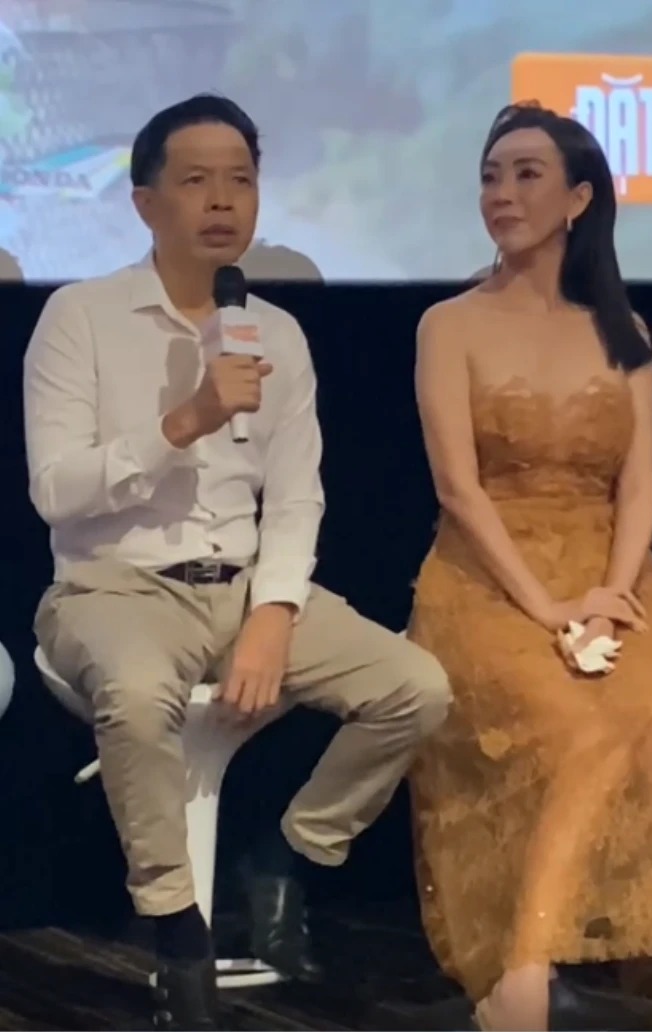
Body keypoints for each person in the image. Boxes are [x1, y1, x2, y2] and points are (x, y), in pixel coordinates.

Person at [23, 93, 451, 1031]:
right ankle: (176, 930)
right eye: (197, 181)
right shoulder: (79, 316)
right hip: (113, 587)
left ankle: (294, 851)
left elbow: (296, 498)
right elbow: (55, 491)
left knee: (416, 688)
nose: (223, 201)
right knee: (138, 698)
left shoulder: (277, 335)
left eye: (242, 181)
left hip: (247, 586)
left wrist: (273, 613)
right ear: (145, 203)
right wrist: (186, 420)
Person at [407, 102, 652, 1031]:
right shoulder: (448, 324)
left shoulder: (623, 329)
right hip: (490, 579)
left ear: (578, 199)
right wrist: (549, 610)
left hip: (612, 574)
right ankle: (524, 973)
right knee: (574, 729)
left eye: (526, 174)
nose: (502, 193)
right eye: (491, 175)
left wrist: (609, 596)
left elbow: (638, 486)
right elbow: (459, 490)